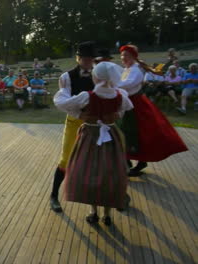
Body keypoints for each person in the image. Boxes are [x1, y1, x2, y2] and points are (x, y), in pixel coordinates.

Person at [62, 62, 133, 225]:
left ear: (96, 77)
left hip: (90, 136)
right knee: (110, 174)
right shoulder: (120, 95)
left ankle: (93, 211)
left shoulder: (87, 96)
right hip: (110, 135)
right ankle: (107, 214)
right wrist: (115, 115)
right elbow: (124, 109)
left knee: (89, 171)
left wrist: (81, 115)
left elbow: (65, 105)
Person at [117, 44, 187, 176]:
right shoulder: (127, 69)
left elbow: (127, 84)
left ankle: (138, 161)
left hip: (136, 104)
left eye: (126, 55)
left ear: (133, 57)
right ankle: (127, 160)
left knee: (139, 132)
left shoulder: (136, 71)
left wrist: (111, 84)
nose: (123, 58)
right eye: (122, 55)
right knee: (125, 131)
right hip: (127, 103)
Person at [51, 41, 97, 212]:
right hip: (74, 122)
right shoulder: (65, 77)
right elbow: (63, 103)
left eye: (90, 58)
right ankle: (54, 196)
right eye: (84, 58)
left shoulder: (100, 75)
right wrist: (79, 115)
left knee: (98, 159)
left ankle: (108, 196)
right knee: (65, 159)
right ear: (78, 58)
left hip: (95, 122)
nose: (87, 61)